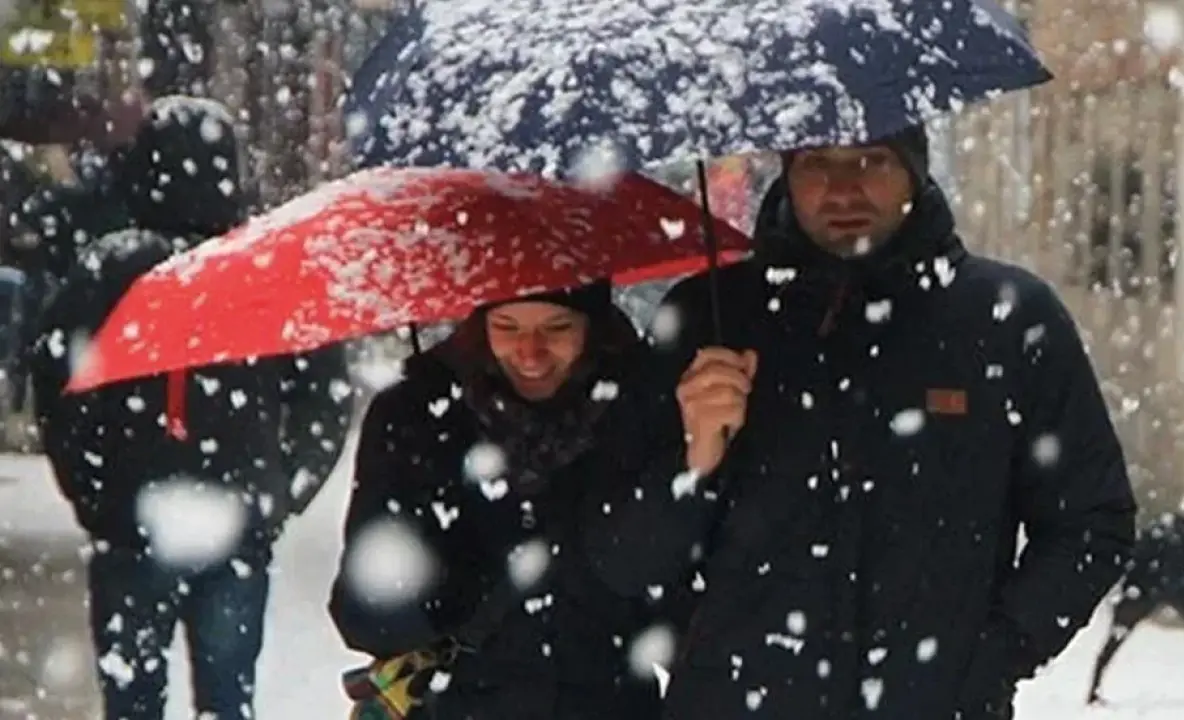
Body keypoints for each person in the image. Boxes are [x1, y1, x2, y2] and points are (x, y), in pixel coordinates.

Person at [583, 125, 1139, 719]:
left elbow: (1090, 521)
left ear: (915, 171)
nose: (843, 190)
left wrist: (989, 658)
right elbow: (622, 559)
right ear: (785, 173)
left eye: (872, 161)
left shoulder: (1005, 319)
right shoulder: (709, 319)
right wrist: (694, 461)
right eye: (816, 163)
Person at [28, 96, 352, 720]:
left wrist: (94, 488)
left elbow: (58, 386)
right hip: (233, 522)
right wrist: (279, 491)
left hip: (134, 521)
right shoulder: (265, 271)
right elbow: (324, 397)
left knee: (131, 699)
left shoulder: (110, 269)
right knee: (228, 698)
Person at [329, 283, 678, 720]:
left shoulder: (645, 410)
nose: (530, 352)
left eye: (557, 326)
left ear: (595, 328)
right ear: (479, 325)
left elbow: (678, 606)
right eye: (507, 326)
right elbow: (365, 619)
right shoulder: (417, 416)